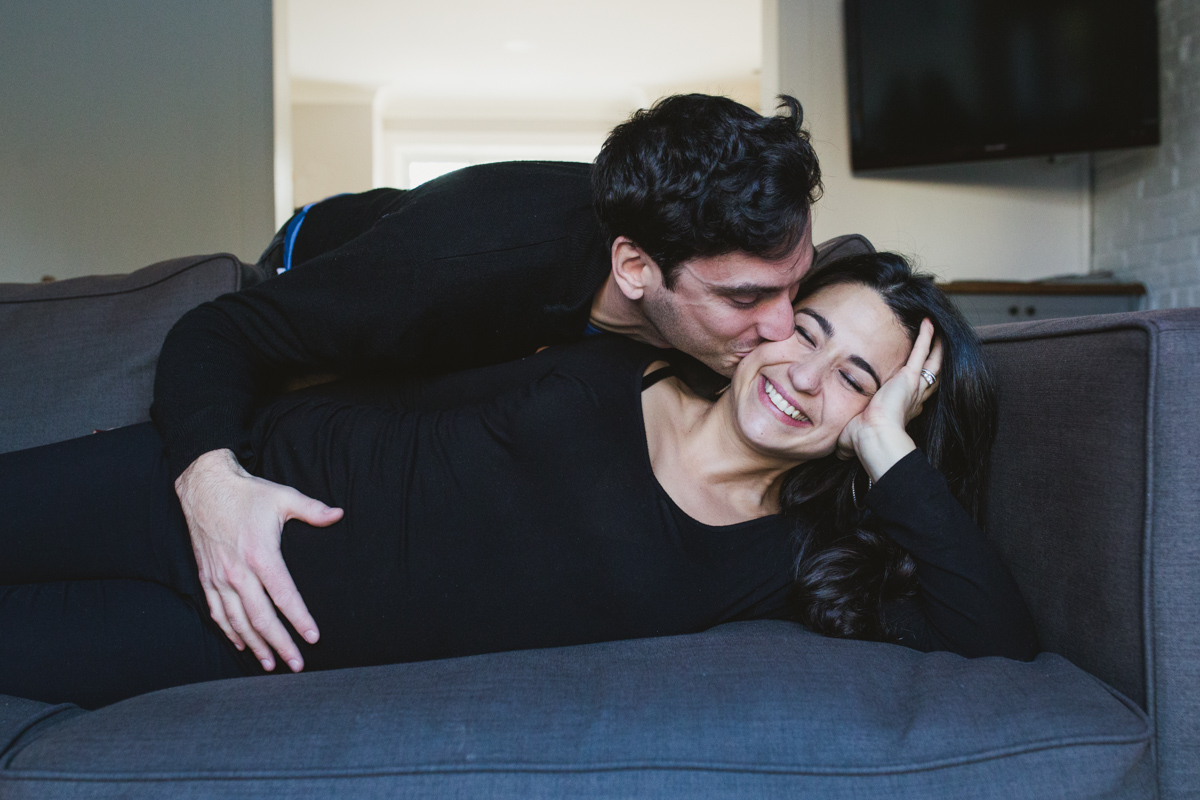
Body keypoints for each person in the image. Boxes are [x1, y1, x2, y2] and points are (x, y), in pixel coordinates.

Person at [0, 252, 1038, 710]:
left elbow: (995, 632)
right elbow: (400, 356)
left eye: (856, 375)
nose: (805, 375)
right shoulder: (619, 349)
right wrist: (211, 465)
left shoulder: (784, 556)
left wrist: (889, 447)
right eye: (805, 330)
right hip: (209, 481)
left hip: (241, 631)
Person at [152, 93, 825, 674]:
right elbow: (218, 332)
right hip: (324, 264)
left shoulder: (726, 263)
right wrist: (208, 478)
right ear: (636, 268)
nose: (783, 327)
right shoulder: (453, 267)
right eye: (745, 301)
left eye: (797, 287)